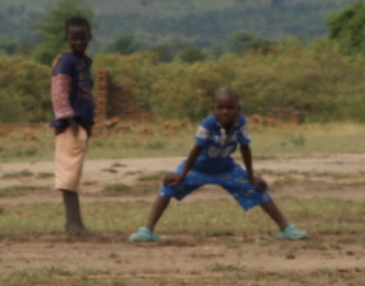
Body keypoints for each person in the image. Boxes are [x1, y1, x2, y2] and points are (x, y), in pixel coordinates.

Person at [130, 88, 308, 242]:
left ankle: (286, 228)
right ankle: (147, 230)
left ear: (238, 109)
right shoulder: (208, 124)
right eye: (220, 108)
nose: (224, 112)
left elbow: (245, 148)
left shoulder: (241, 123)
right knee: (169, 188)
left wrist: (251, 176)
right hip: (197, 168)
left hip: (226, 168)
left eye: (229, 108)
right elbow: (196, 149)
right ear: (214, 109)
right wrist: (182, 175)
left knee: (258, 189)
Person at [49, 16, 97, 237]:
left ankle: (73, 225)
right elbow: (59, 91)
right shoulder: (67, 61)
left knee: (73, 174)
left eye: (83, 37)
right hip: (71, 124)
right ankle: (74, 225)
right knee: (68, 175)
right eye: (74, 38)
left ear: (90, 37)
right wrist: (70, 120)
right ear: (67, 39)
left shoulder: (85, 61)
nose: (79, 42)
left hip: (81, 124)